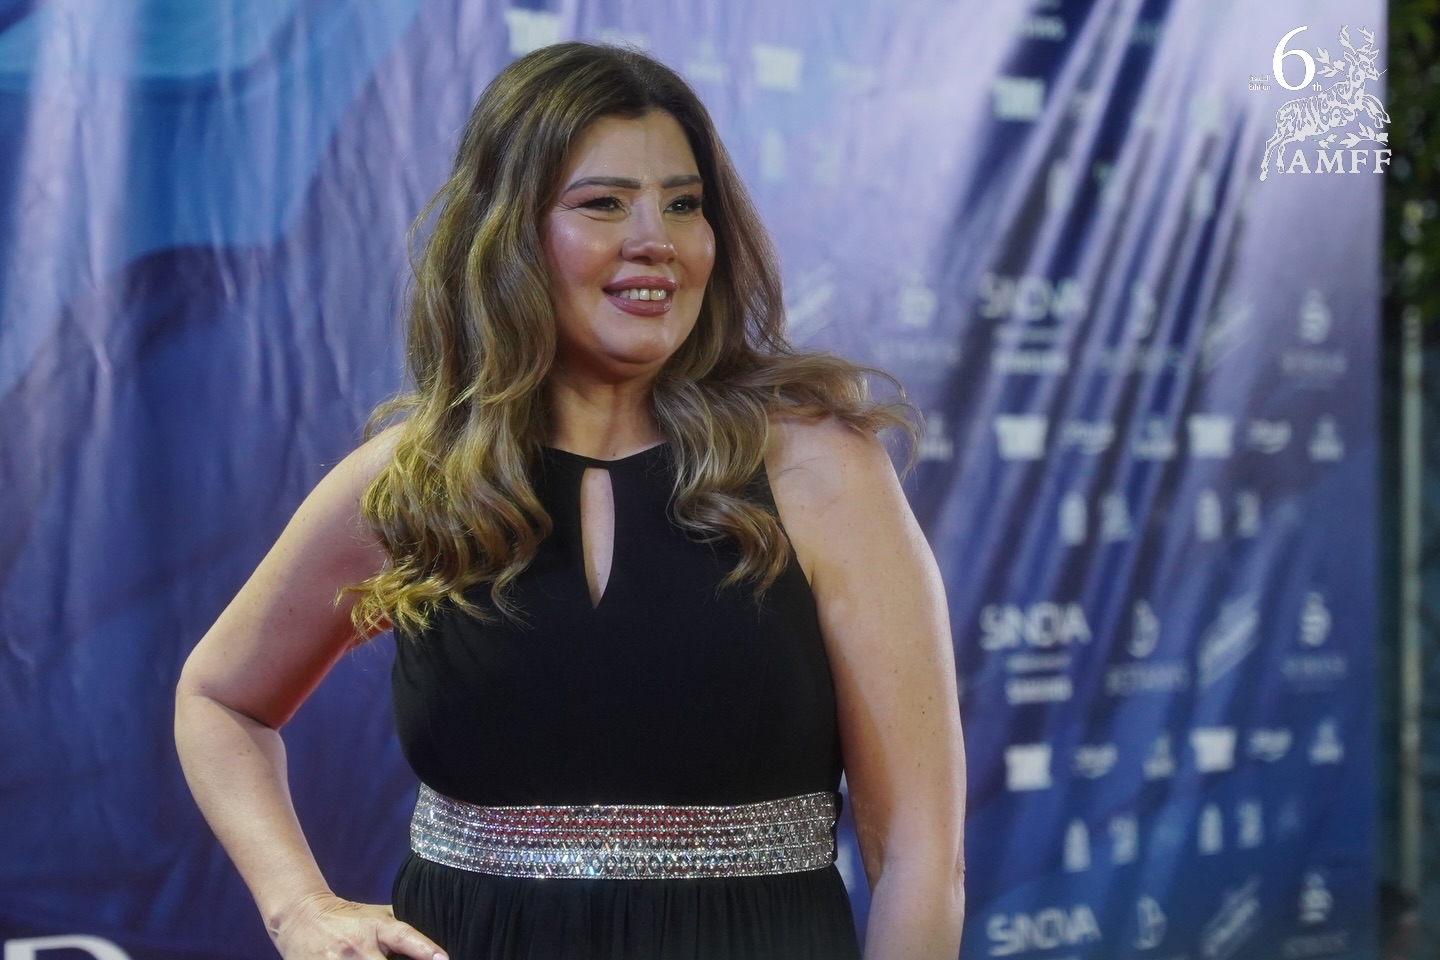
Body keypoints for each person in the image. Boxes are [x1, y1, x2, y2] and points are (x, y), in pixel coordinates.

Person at [175, 41, 965, 960]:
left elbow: (920, 854)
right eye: (603, 204)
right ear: (507, 233)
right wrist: (299, 908)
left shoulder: (818, 469)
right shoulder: (415, 479)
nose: (657, 239)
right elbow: (219, 700)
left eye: (683, 204)